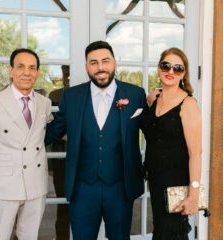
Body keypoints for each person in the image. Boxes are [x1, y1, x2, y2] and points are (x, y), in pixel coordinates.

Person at [45, 40, 148, 240]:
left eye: (105, 61)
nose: (100, 67)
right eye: (94, 62)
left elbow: (154, 132)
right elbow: (52, 132)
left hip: (120, 188)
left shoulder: (135, 95)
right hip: (83, 188)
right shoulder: (71, 96)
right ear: (87, 67)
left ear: (114, 64)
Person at [0, 48, 53, 240]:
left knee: (29, 236)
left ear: (37, 72)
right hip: (4, 186)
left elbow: (43, 133)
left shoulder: (45, 103)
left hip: (36, 184)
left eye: (32, 68)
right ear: (11, 71)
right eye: (21, 67)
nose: (27, 72)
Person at [142, 47, 201, 240]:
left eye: (178, 68)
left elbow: (195, 153)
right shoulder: (153, 99)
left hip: (177, 182)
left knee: (171, 233)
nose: (170, 72)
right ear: (159, 69)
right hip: (156, 180)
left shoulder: (188, 103)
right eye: (166, 66)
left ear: (184, 74)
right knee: (160, 229)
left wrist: (194, 194)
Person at [48, 65, 70, 240]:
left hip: (87, 158)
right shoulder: (54, 96)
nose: (67, 77)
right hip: (61, 156)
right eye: (65, 74)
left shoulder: (89, 93)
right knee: (63, 204)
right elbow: (53, 127)